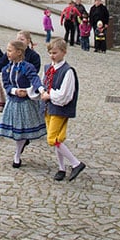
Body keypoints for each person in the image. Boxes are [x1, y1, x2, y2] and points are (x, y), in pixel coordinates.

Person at [40, 37, 85, 182]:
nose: (52, 56)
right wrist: (41, 92)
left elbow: (66, 94)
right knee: (58, 139)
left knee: (52, 139)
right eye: (50, 53)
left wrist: (50, 95)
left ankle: (75, 163)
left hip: (60, 108)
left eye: (55, 53)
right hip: (48, 107)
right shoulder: (48, 68)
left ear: (63, 52)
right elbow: (43, 84)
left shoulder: (68, 71)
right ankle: (61, 168)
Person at [0, 39, 45, 168]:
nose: (7, 53)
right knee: (17, 131)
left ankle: (17, 155)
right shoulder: (7, 69)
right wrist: (15, 90)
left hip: (26, 103)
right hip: (13, 102)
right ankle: (19, 150)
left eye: (10, 50)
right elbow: (6, 85)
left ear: (19, 52)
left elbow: (35, 79)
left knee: (22, 130)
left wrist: (39, 90)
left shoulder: (27, 67)